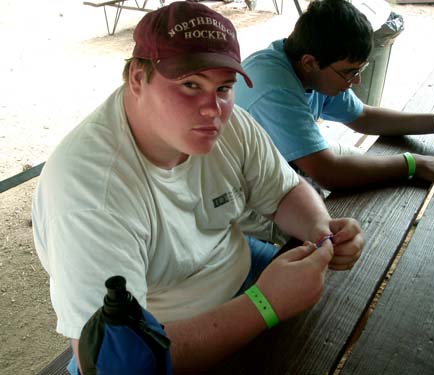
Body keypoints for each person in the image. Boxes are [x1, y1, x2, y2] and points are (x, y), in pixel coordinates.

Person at [32, 2, 364, 373]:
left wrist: (321, 231)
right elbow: (112, 363)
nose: (212, 108)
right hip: (160, 333)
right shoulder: (91, 192)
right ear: (137, 79)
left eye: (224, 87)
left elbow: (285, 190)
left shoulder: (230, 123)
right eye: (191, 85)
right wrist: (265, 304)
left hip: (239, 267)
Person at [234, 0, 434, 194]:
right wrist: (413, 164)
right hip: (242, 186)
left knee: (368, 167)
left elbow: (363, 116)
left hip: (292, 159)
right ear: (310, 62)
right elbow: (328, 172)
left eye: (359, 70)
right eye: (349, 72)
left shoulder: (311, 65)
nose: (357, 80)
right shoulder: (274, 87)